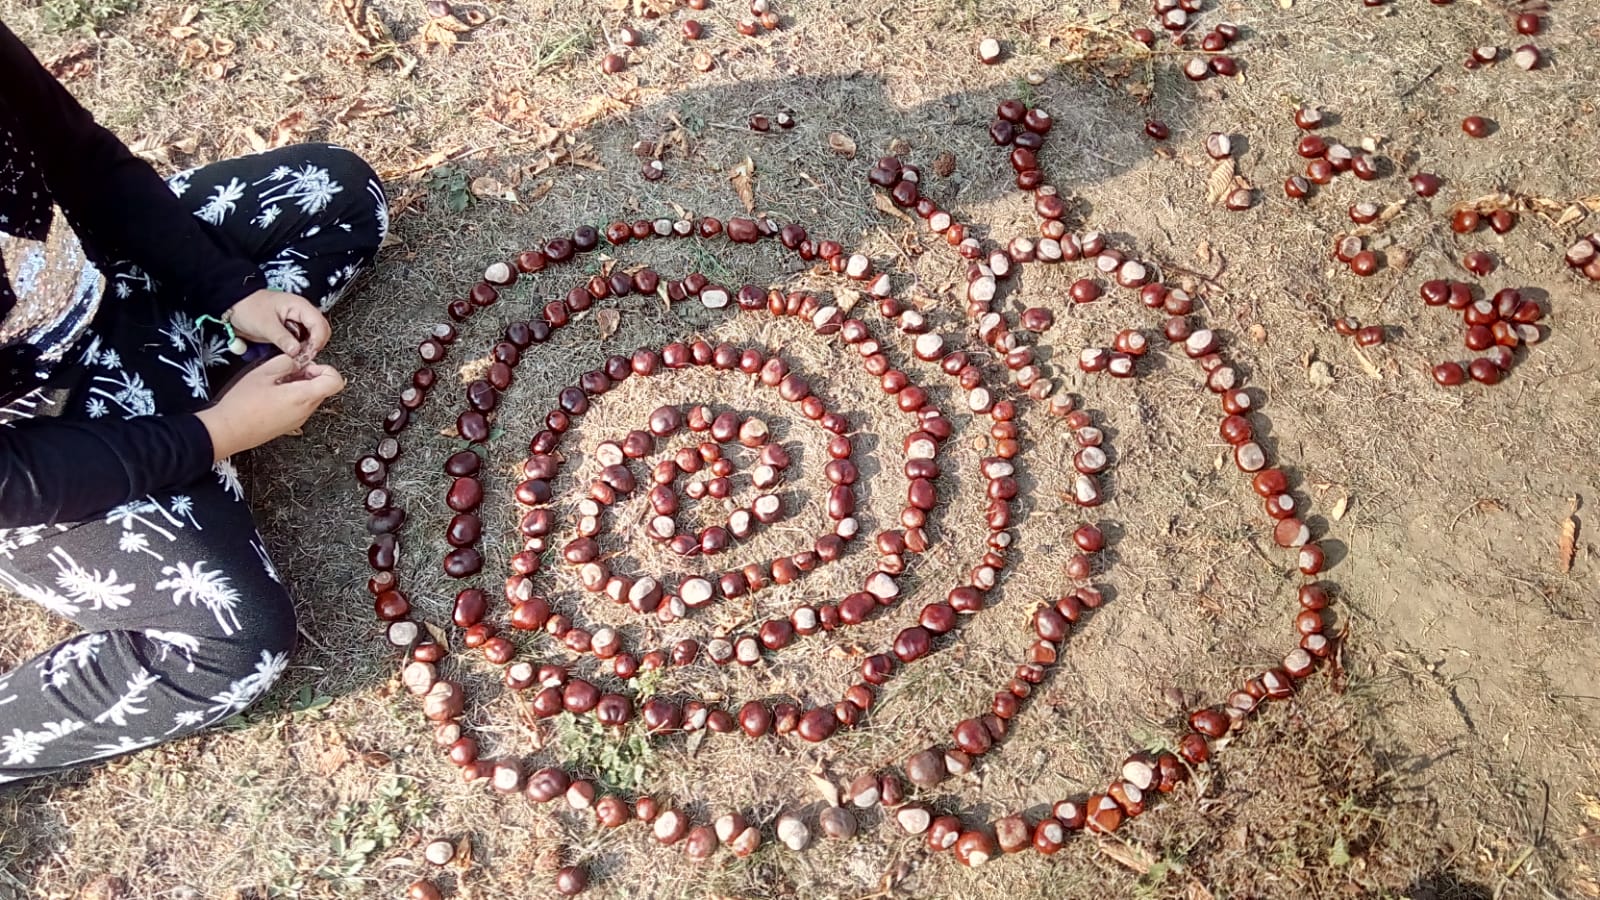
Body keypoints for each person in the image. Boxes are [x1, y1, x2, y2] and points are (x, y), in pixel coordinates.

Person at [0, 19, 386, 782]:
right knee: (232, 645)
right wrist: (215, 433)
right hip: (42, 439)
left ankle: (209, 394)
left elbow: (84, 162)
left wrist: (232, 291)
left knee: (338, 196)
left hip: (107, 289)